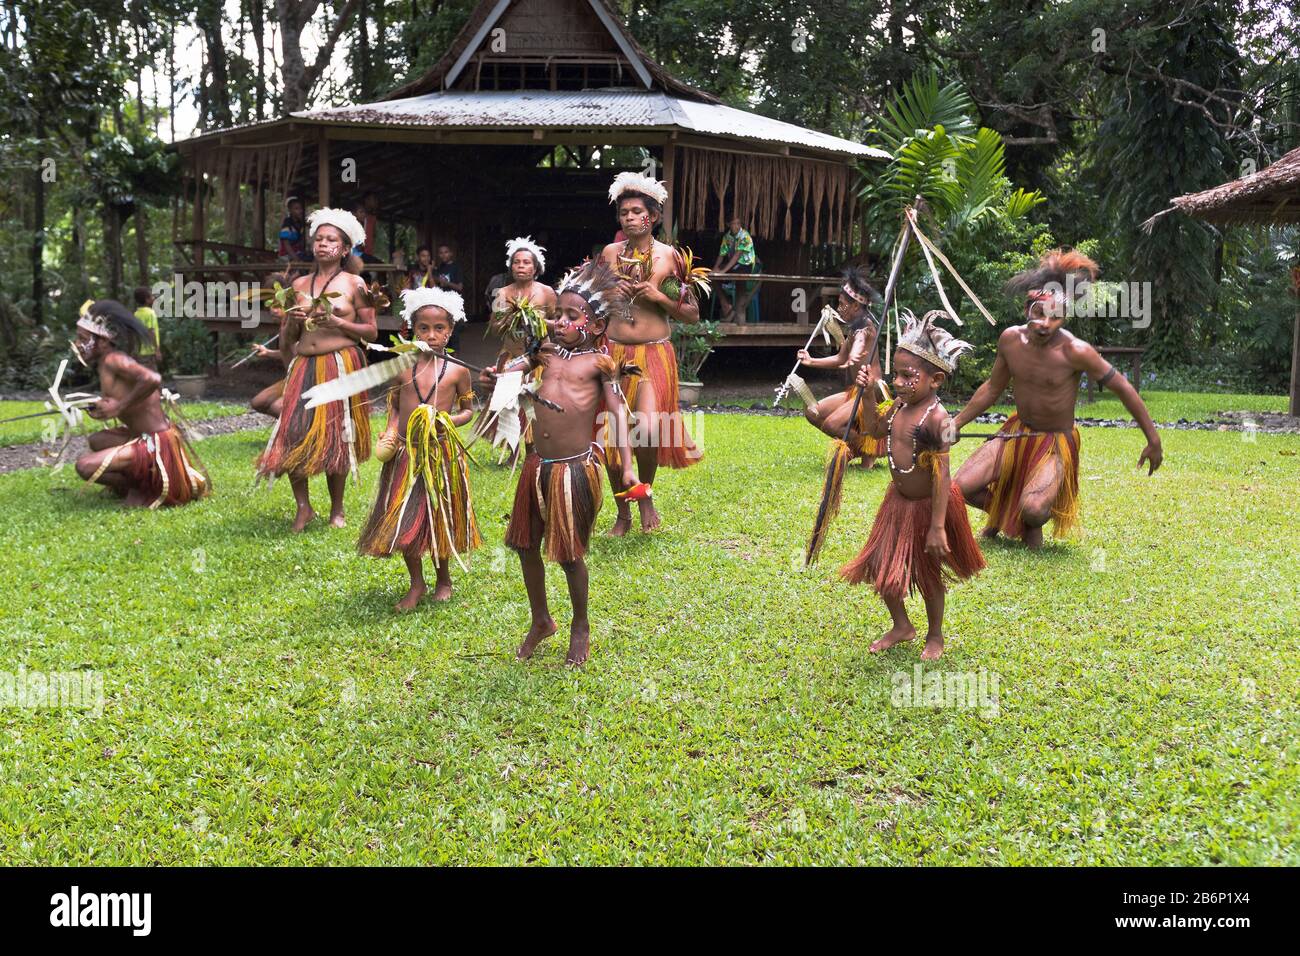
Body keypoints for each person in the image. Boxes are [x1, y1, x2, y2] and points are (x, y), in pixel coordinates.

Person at [951, 250, 1164, 549]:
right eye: (1039, 313)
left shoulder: (1076, 351)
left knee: (1035, 509)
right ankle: (1011, 517)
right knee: (958, 488)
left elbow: (1124, 389)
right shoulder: (1010, 340)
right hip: (1017, 433)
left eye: (1056, 317)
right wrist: (956, 422)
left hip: (1054, 442)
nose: (1045, 324)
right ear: (1028, 308)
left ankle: (1026, 517)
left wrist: (1153, 440)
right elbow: (991, 388)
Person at [486, 259, 635, 667]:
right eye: (557, 315)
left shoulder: (599, 363)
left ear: (598, 326)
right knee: (524, 545)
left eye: (573, 316)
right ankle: (541, 620)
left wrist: (628, 466)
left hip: (574, 469)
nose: (560, 323)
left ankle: (580, 625)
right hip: (538, 465)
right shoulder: (545, 353)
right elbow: (515, 368)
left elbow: (619, 413)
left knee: (569, 555)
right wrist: (499, 376)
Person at [842, 311, 985, 661]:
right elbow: (874, 430)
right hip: (898, 503)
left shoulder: (936, 419)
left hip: (928, 507)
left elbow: (942, 475)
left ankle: (935, 635)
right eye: (896, 373)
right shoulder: (897, 408)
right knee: (881, 569)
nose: (900, 381)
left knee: (929, 575)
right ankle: (902, 626)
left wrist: (938, 527)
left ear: (935, 379)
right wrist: (866, 394)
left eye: (909, 376)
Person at [359, 288, 481, 611]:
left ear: (450, 330)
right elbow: (395, 408)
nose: (431, 334)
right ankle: (416, 583)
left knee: (437, 517)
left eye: (439, 328)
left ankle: (444, 579)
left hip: (440, 454)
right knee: (405, 518)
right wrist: (388, 432)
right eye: (423, 328)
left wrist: (447, 420)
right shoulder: (401, 366)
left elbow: (469, 411)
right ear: (412, 329)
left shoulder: (457, 371)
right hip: (406, 454)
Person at [256, 208, 377, 532]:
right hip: (303, 364)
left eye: (331, 240)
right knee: (294, 433)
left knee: (336, 435)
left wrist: (336, 320)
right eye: (319, 238)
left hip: (339, 363)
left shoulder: (355, 283)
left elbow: (371, 332)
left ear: (344, 248)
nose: (323, 244)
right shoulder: (298, 284)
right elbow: (290, 339)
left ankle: (337, 509)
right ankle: (303, 507)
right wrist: (291, 323)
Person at [599, 171, 702, 535]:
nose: (628, 217)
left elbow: (691, 313)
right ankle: (622, 513)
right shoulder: (610, 254)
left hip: (653, 355)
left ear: (653, 217)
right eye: (623, 212)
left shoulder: (670, 258)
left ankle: (644, 496)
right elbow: (592, 306)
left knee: (647, 429)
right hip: (613, 353)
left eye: (636, 211)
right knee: (613, 433)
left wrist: (657, 297)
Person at [73, 300, 210, 508]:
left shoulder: (115, 359)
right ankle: (138, 481)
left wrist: (118, 407)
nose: (77, 344)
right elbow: (123, 396)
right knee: (97, 440)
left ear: (102, 341)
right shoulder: (105, 364)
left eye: (83, 338)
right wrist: (103, 407)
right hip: (142, 438)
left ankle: (145, 487)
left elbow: (152, 378)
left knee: (84, 466)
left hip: (156, 444)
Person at [797, 266, 887, 467]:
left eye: (842, 304)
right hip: (856, 391)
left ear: (856, 306)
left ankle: (868, 449)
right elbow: (840, 358)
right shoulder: (854, 329)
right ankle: (860, 446)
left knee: (831, 424)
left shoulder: (866, 328)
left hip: (871, 393)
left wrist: (856, 353)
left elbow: (861, 343)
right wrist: (811, 361)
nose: (839, 308)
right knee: (813, 412)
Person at [488, 236, 557, 365]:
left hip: (541, 356)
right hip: (511, 357)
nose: (521, 266)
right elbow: (494, 330)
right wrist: (505, 323)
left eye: (526, 262)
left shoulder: (546, 292)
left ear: (535, 268)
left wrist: (540, 322)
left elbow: (560, 324)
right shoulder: (502, 294)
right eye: (516, 262)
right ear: (511, 267)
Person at [713, 216, 758, 320]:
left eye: (738, 223)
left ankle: (739, 318)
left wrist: (723, 271)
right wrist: (715, 269)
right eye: (734, 223)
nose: (736, 226)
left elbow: (736, 256)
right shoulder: (727, 237)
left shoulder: (745, 236)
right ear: (728, 225)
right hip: (733, 265)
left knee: (740, 283)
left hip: (745, 265)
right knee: (713, 278)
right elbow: (722, 254)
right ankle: (726, 304)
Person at [132, 286, 161, 370]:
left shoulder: (136, 314)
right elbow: (151, 332)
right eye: (151, 296)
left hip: (140, 352)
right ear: (147, 299)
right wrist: (157, 350)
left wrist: (135, 350)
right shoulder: (150, 313)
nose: (153, 298)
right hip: (150, 352)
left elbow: (135, 334)